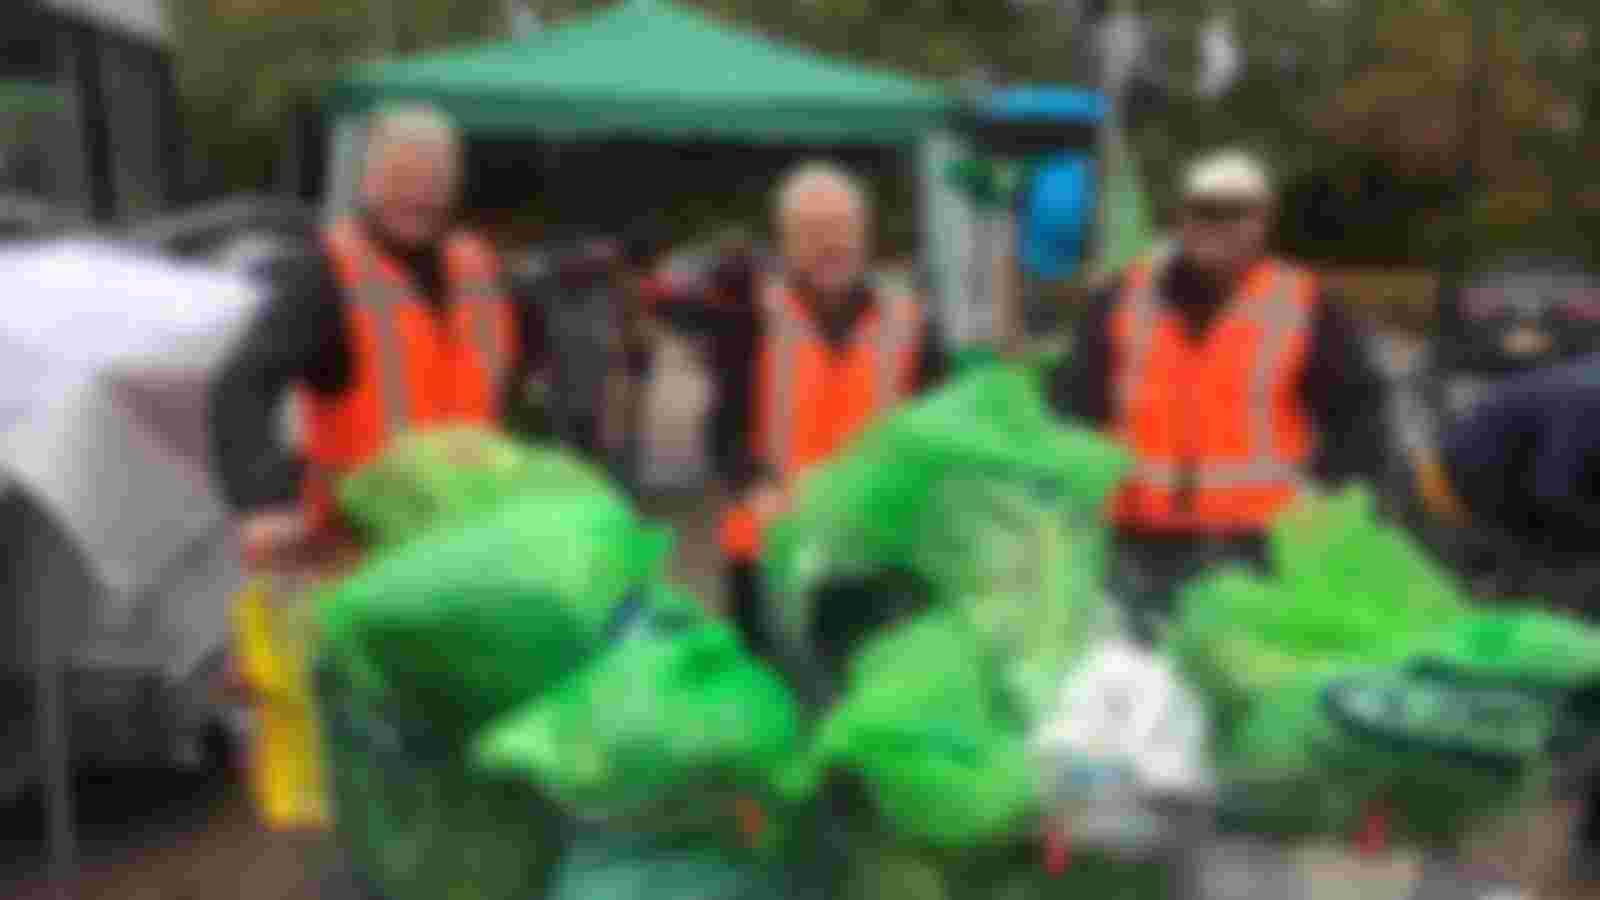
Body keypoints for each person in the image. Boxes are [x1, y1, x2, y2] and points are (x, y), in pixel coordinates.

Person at [1050, 149, 1387, 639]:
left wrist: (1330, 502)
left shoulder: (1304, 302)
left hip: (1259, 544)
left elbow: (1358, 413)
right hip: (1139, 538)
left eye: (1238, 212)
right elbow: (1074, 408)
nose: (1221, 225)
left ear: (1264, 221)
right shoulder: (1121, 298)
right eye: (1207, 210)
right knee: (1140, 676)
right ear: (1183, 217)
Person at [210, 102, 547, 564]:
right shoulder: (327, 274)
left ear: (453, 185)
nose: (417, 197)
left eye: (432, 182)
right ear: (368, 182)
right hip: (364, 551)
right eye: (401, 180)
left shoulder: (484, 270)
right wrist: (263, 500)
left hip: (473, 546)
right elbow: (241, 384)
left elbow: (516, 388)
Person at [654, 162, 951, 657]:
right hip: (772, 550)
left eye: (840, 228)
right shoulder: (749, 316)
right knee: (776, 705)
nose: (829, 243)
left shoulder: (910, 320)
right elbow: (722, 431)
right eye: (812, 230)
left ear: (864, 234)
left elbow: (940, 429)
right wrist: (754, 488)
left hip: (878, 549)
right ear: (786, 239)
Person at [1406, 355, 1600, 880]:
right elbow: (1553, 492)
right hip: (1456, 500)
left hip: (1523, 500)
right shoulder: (1588, 401)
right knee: (1526, 632)